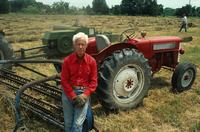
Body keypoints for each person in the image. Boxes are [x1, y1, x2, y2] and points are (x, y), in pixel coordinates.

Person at [61, 32, 97, 132]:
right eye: (78, 44)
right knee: (68, 123)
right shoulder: (67, 61)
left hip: (83, 94)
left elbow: (93, 82)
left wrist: (84, 96)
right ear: (74, 45)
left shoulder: (92, 62)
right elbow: (64, 80)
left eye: (82, 44)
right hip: (68, 94)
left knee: (77, 124)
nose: (80, 47)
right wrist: (72, 96)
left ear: (86, 45)